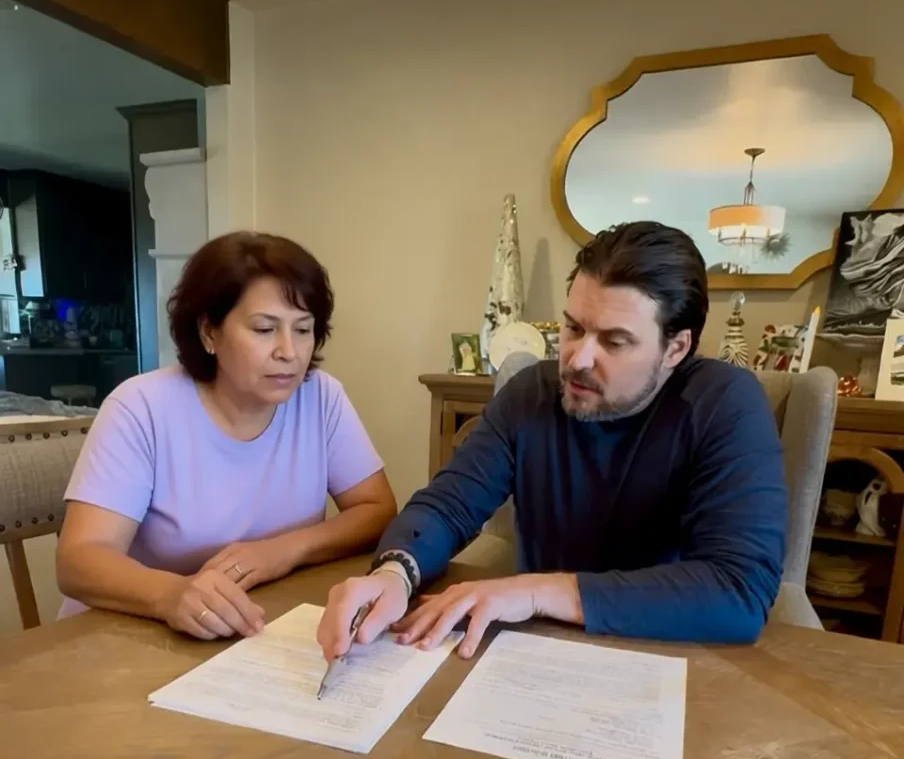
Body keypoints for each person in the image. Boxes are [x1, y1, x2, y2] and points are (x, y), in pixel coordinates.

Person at [317, 221, 787, 662]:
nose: (578, 359)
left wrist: (535, 591)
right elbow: (448, 506)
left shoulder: (725, 404)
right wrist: (395, 573)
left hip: (671, 652)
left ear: (676, 349)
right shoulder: (531, 394)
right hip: (537, 650)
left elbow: (736, 590)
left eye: (615, 341)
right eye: (574, 328)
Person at [57, 231, 397, 639]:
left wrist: (283, 551)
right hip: (123, 635)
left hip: (250, 626)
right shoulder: (142, 407)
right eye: (264, 329)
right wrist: (171, 594)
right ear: (208, 332)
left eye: (303, 330)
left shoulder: (320, 397)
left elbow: (377, 509)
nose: (289, 351)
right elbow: (79, 560)